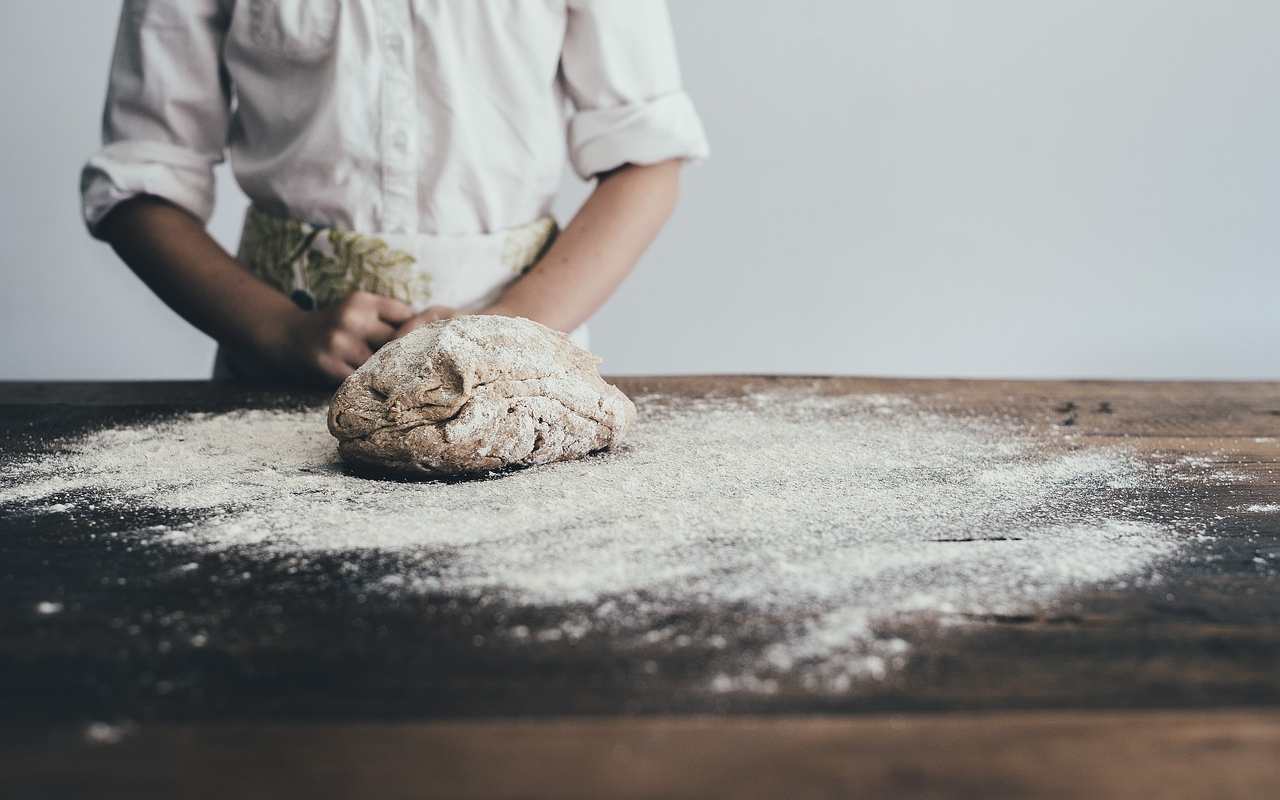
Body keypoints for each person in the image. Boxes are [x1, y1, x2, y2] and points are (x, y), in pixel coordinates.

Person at [81, 1, 708, 384]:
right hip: (276, 375)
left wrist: (510, 329)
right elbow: (140, 178)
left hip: (522, 372)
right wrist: (279, 331)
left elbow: (646, 160)